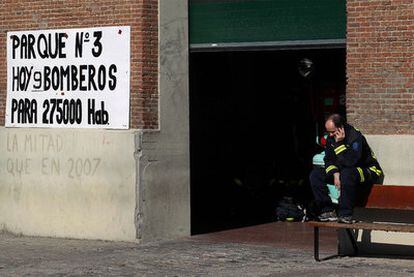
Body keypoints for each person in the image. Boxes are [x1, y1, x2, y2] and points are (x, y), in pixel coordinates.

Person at [309, 114, 384, 223]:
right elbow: (328, 159)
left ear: (341, 127)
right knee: (315, 175)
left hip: (368, 171)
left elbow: (351, 162)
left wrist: (339, 144)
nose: (330, 135)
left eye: (333, 132)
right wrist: (335, 173)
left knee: (347, 173)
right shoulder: (331, 138)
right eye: (328, 132)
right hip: (344, 172)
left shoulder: (355, 136)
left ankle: (345, 214)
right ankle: (327, 211)